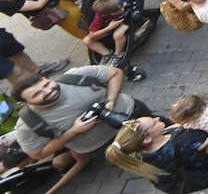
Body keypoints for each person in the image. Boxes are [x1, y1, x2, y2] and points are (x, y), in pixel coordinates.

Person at [12, 65, 149, 193]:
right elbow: (37, 154)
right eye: (37, 94)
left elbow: (115, 72)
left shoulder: (74, 77)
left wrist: (111, 101)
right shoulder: (27, 124)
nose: (48, 91)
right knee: (145, 162)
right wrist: (73, 131)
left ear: (48, 79)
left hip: (132, 113)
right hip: (104, 145)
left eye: (47, 84)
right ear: (25, 103)